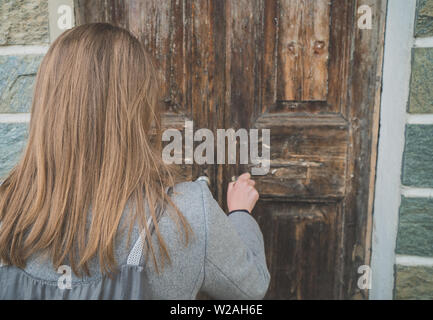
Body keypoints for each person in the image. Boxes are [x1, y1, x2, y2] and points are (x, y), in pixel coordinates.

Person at [0, 23, 270, 300]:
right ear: (139, 107)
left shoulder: (8, 213)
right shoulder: (187, 214)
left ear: (46, 104)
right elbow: (251, 289)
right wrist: (240, 215)